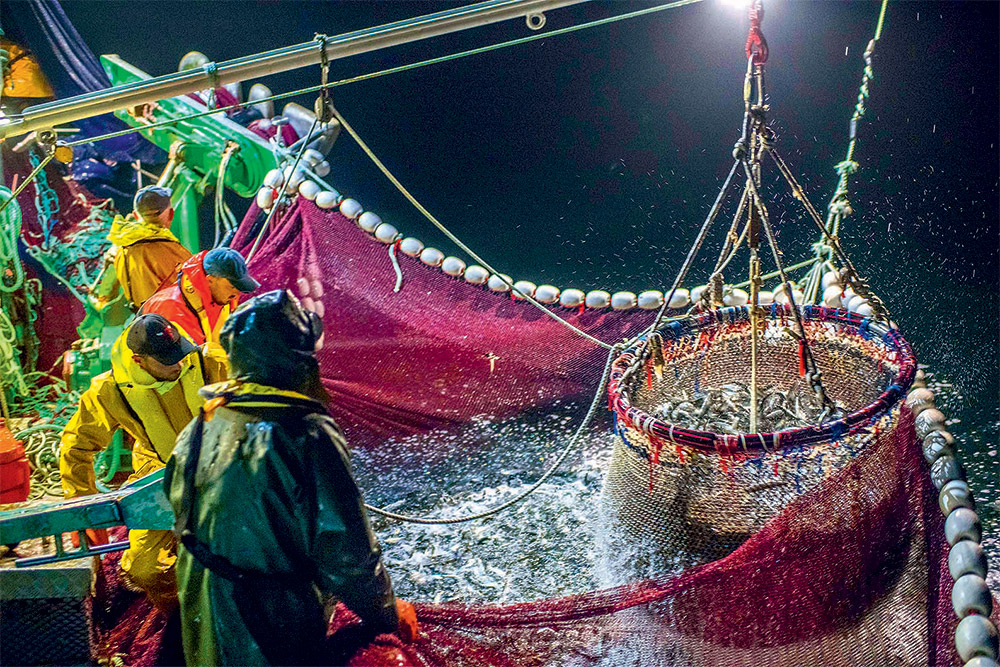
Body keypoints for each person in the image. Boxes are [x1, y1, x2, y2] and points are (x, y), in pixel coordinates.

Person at [165, 290, 413, 665]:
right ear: (297, 358)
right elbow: (344, 551)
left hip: (203, 600)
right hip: (270, 618)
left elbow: (177, 502)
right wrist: (387, 611)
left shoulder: (203, 423)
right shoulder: (306, 434)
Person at [60, 314, 226, 608]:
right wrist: (83, 511)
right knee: (145, 569)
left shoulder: (210, 362)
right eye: (166, 360)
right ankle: (181, 612)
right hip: (159, 474)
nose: (178, 363)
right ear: (139, 361)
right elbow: (76, 445)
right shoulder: (110, 391)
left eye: (180, 353)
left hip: (222, 470)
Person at [141, 247, 259, 361]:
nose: (236, 293)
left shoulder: (224, 297)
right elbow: (185, 365)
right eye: (232, 286)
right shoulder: (171, 307)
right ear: (210, 280)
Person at [107, 185, 193, 310]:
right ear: (171, 214)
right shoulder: (174, 251)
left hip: (141, 320)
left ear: (136, 215)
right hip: (172, 321)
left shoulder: (120, 249)